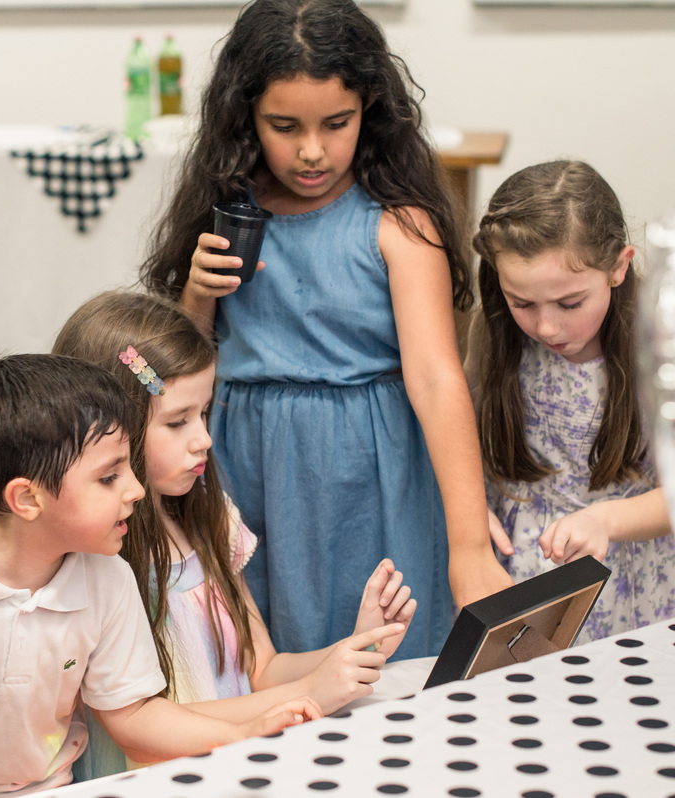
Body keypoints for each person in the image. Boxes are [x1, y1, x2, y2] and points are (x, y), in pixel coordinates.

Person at [142, 0, 510, 659]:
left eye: (336, 124)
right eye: (284, 126)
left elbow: (434, 377)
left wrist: (470, 548)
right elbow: (181, 368)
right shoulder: (231, 212)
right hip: (244, 467)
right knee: (259, 654)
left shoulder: (398, 224)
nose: (311, 151)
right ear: (245, 115)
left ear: (369, 108)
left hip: (366, 476)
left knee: (376, 653)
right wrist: (196, 296)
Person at [0, 354, 321, 798]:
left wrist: (242, 733)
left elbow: (132, 716)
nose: (135, 489)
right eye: (109, 477)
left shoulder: (108, 579)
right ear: (26, 499)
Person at [53, 290, 412, 779]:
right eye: (177, 421)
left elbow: (261, 668)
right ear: (110, 429)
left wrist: (358, 648)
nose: (203, 438)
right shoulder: (93, 557)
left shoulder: (211, 519)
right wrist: (311, 694)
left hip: (235, 767)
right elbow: (146, 723)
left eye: (203, 414)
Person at [466, 160, 675, 639]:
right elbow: (466, 440)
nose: (546, 328)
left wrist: (608, 520)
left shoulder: (658, 345)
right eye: (522, 303)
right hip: (523, 568)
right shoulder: (496, 336)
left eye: (570, 303)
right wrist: (470, 505)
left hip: (633, 576)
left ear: (619, 267)